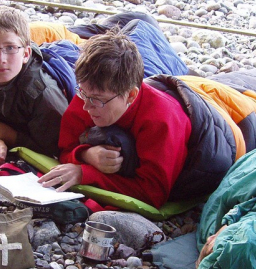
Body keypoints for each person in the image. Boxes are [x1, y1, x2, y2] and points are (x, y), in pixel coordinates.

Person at [38, 29, 192, 208]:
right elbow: (64, 149)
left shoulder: (162, 120)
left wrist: (86, 174)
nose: (86, 106)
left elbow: (153, 194)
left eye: (98, 100)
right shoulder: (89, 93)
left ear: (131, 96)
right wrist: (86, 155)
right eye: (82, 93)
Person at [0, 6, 68, 168]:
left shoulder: (44, 94)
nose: (0, 59)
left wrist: (6, 134)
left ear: (25, 54)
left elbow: (58, 149)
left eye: (10, 48)